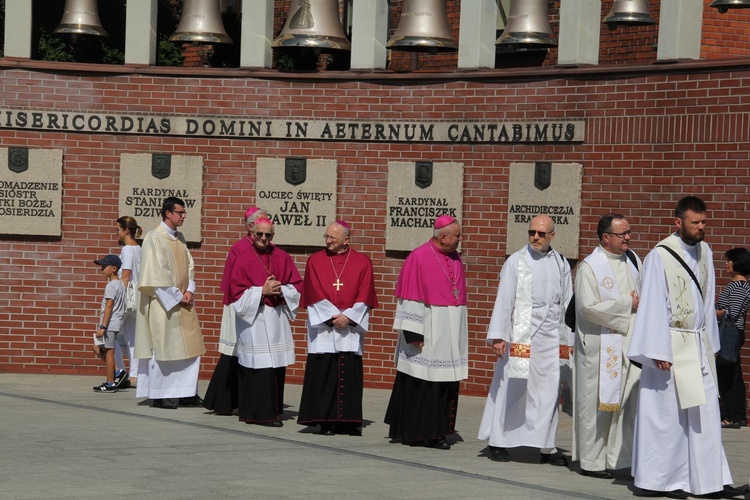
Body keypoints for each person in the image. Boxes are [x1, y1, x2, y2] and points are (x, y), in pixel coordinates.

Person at [627, 196, 745, 498]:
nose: (702, 227)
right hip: (669, 344)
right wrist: (657, 350)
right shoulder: (660, 255)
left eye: (704, 222)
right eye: (696, 223)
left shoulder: (704, 251)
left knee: (704, 413)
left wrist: (712, 342)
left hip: (697, 343)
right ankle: (661, 480)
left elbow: (707, 297)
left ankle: (709, 481)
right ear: (678, 222)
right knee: (667, 416)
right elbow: (652, 302)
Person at [478, 214, 572, 466]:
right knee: (514, 388)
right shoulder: (516, 262)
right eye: (532, 232)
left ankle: (546, 447)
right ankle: (499, 442)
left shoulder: (561, 263)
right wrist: (499, 336)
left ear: (552, 235)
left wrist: (569, 340)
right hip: (523, 337)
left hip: (551, 339)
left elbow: (567, 304)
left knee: (550, 391)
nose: (535, 237)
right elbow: (504, 299)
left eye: (541, 234)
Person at [384, 215, 468, 450]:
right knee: (424, 382)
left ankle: (440, 429)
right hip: (428, 332)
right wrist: (413, 334)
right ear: (443, 237)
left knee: (443, 382)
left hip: (448, 332)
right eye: (457, 235)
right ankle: (422, 433)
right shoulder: (418, 257)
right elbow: (409, 297)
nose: (460, 239)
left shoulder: (454, 257)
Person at [571, 214, 641, 478]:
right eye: (623, 234)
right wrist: (626, 304)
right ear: (605, 237)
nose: (628, 238)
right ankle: (592, 461)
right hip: (601, 347)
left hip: (628, 343)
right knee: (599, 406)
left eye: (628, 232)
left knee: (625, 404)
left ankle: (618, 458)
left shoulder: (633, 259)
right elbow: (586, 308)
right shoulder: (590, 267)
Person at [297, 220, 378, 436]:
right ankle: (325, 421)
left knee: (348, 370)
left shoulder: (362, 262)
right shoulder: (315, 260)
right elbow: (312, 291)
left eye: (332, 237)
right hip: (325, 326)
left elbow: (366, 292)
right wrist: (333, 317)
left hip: (349, 328)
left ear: (346, 240)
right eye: (326, 236)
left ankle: (348, 422)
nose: (328, 241)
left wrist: (349, 317)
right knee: (324, 370)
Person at [228, 217, 303, 426]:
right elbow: (235, 293)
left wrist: (280, 289)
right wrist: (262, 290)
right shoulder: (243, 259)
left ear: (273, 236)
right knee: (258, 367)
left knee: (275, 367)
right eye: (259, 234)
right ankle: (258, 413)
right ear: (252, 234)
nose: (263, 238)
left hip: (276, 318)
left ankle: (273, 411)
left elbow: (297, 286)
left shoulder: (282, 257)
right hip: (255, 321)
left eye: (267, 235)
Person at [134, 197, 205, 410]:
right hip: (163, 304)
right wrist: (177, 295)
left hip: (183, 302)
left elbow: (190, 266)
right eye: (180, 212)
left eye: (184, 213)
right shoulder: (154, 238)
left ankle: (185, 393)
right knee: (163, 348)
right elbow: (156, 273)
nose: (183, 216)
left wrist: (190, 290)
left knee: (189, 349)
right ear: (168, 213)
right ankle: (160, 394)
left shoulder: (179, 238)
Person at [203, 206, 269, 416]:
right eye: (260, 224)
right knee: (234, 352)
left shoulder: (267, 248)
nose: (264, 232)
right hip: (241, 305)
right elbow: (236, 282)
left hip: (259, 306)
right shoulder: (241, 247)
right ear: (251, 227)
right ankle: (223, 400)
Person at [715, 248, 750, 429]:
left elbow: (732, 313)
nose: (726, 264)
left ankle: (731, 417)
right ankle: (736, 416)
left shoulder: (739, 286)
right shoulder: (738, 285)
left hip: (729, 333)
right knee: (733, 373)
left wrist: (711, 312)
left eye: (729, 260)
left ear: (738, 263)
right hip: (732, 333)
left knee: (727, 375)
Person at [112, 215, 142, 390]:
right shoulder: (140, 248)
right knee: (133, 338)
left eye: (118, 229)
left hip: (126, 297)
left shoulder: (127, 250)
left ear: (126, 230)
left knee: (109, 332)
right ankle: (134, 375)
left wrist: (117, 299)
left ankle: (120, 371)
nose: (116, 233)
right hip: (137, 298)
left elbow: (125, 276)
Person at [91, 254, 125, 393]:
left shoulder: (111, 285)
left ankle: (110, 383)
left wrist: (103, 327)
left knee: (109, 352)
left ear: (114, 268)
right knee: (97, 348)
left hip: (110, 324)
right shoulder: (120, 284)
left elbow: (109, 307)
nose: (102, 269)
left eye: (105, 267)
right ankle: (117, 372)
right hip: (114, 323)